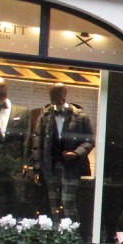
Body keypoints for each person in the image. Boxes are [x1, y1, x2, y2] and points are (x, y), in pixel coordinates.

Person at [29, 83, 94, 219]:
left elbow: (89, 141)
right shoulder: (45, 116)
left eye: (58, 94)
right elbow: (37, 143)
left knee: (68, 202)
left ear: (64, 95)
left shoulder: (79, 116)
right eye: (53, 94)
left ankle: (72, 232)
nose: (55, 98)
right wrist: (37, 167)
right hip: (51, 165)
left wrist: (76, 153)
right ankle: (57, 234)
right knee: (53, 203)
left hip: (71, 166)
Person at [0, 77, 30, 223]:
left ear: (7, 88)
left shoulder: (22, 112)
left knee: (19, 199)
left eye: (2, 87)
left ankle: (18, 232)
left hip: (15, 163)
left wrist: (26, 163)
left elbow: (27, 139)